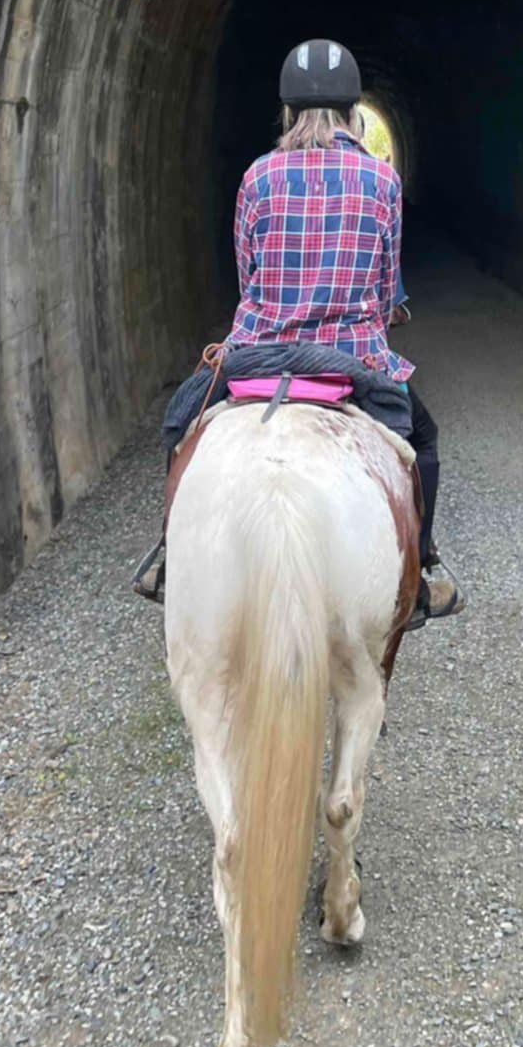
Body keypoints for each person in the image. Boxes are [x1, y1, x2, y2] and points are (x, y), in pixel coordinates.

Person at [132, 39, 461, 623]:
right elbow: (386, 294)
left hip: (257, 355)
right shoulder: (381, 181)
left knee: (181, 426)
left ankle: (168, 555)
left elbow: (248, 278)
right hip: (351, 358)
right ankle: (423, 564)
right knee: (423, 440)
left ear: (287, 114)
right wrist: (373, 311)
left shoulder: (257, 177)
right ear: (352, 114)